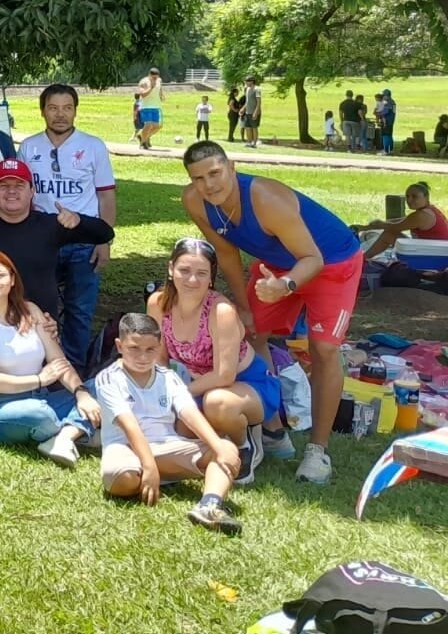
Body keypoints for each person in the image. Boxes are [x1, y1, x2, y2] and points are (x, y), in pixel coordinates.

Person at [180, 139, 364, 484]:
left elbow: (313, 259)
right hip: (278, 267)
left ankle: (317, 452)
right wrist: (245, 308)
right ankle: (274, 430)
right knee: (247, 332)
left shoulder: (265, 198)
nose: (209, 184)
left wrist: (286, 285)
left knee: (323, 348)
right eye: (199, 178)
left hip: (331, 262)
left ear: (232, 168)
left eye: (216, 173)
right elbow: (229, 256)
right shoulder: (195, 202)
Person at [145, 238, 281, 487]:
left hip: (246, 383)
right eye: (184, 270)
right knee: (179, 432)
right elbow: (159, 358)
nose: (192, 280)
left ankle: (243, 443)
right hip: (200, 385)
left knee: (217, 403)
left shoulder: (221, 311)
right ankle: (218, 436)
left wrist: (177, 394)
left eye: (201, 273)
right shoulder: (158, 303)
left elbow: (224, 375)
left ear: (211, 277)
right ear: (170, 268)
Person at [94, 313, 242, 535]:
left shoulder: (168, 377)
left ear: (159, 346)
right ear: (119, 345)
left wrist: (218, 447)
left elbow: (189, 413)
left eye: (150, 350)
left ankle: (210, 505)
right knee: (121, 479)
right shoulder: (108, 378)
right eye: (134, 348)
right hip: (127, 448)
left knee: (227, 449)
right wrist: (149, 465)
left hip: (166, 445)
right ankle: (153, 475)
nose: (142, 357)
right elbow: (130, 426)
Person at [0, 158, 115, 361]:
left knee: (47, 383)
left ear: (32, 191)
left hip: (42, 325)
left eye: (19, 185)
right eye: (4, 186)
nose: (11, 192)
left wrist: (79, 220)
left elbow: (104, 233)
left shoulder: (50, 225)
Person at [15, 84, 118, 374]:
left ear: (75, 110)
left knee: (79, 310)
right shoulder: (29, 146)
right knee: (36, 306)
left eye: (67, 108)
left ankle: (74, 372)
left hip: (83, 240)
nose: (60, 114)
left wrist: (104, 239)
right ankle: (40, 366)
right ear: (42, 111)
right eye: (53, 107)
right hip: (42, 239)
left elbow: (106, 195)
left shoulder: (93, 146)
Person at [0, 249, 99, 466]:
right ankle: (86, 430)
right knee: (41, 415)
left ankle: (65, 437)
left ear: (11, 279)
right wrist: (40, 379)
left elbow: (59, 361)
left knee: (102, 387)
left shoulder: (30, 310)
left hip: (43, 396)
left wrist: (81, 393)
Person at [363, 181, 448, 257]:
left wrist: (379, 224)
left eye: (414, 197)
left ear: (426, 198)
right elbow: (402, 221)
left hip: (436, 254)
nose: (409, 200)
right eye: (407, 196)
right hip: (434, 250)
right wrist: (370, 226)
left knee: (388, 234)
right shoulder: (429, 210)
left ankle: (363, 259)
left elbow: (395, 227)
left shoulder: (421, 215)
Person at [136, 67, 165, 150]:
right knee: (148, 125)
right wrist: (151, 87)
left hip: (156, 106)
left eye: (156, 77)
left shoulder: (159, 80)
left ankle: (142, 137)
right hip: (146, 106)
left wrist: (161, 95)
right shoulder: (144, 82)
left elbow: (159, 89)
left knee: (157, 126)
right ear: (149, 75)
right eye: (153, 78)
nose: (155, 79)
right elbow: (142, 94)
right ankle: (142, 143)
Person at [239, 76, 262, 148]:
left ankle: (254, 143)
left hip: (254, 112)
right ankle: (249, 142)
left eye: (247, 81)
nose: (246, 82)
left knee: (254, 127)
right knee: (247, 127)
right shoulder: (247, 89)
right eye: (246, 81)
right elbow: (247, 101)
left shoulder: (257, 89)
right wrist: (243, 109)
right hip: (248, 112)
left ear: (252, 81)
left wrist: (256, 112)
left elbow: (259, 102)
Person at [376, 89, 397, 155]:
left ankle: (385, 150)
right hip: (391, 120)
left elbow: (385, 111)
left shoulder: (387, 102)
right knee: (390, 135)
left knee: (385, 136)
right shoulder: (393, 102)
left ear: (385, 95)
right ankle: (390, 150)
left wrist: (379, 113)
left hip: (386, 121)